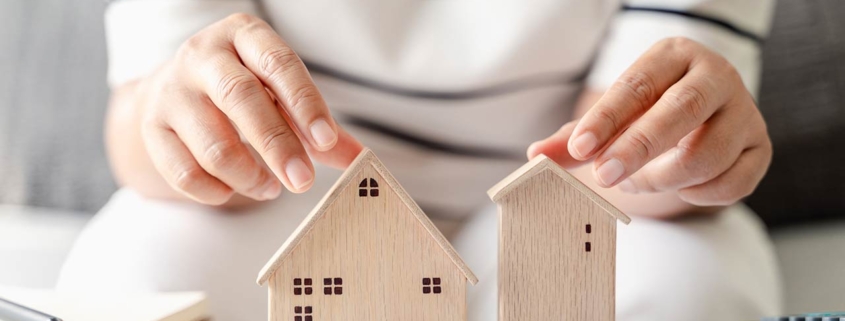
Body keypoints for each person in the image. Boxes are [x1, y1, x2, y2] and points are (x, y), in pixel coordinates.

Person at [57, 0, 781, 320]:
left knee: (693, 290)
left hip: (559, 190)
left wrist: (676, 155)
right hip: (290, 194)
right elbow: (138, 134)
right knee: (131, 281)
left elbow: (619, 157)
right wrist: (185, 126)